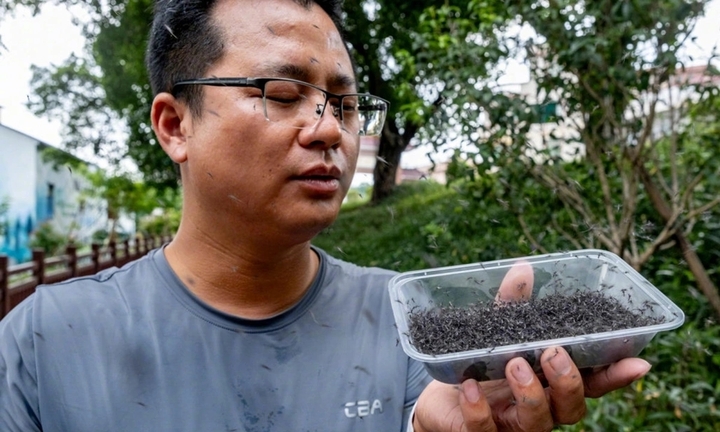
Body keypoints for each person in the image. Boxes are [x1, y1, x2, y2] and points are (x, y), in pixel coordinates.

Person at [0, 0, 653, 430]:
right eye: (282, 94)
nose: (328, 131)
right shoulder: (44, 344)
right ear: (175, 126)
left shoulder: (414, 335)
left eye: (343, 105)